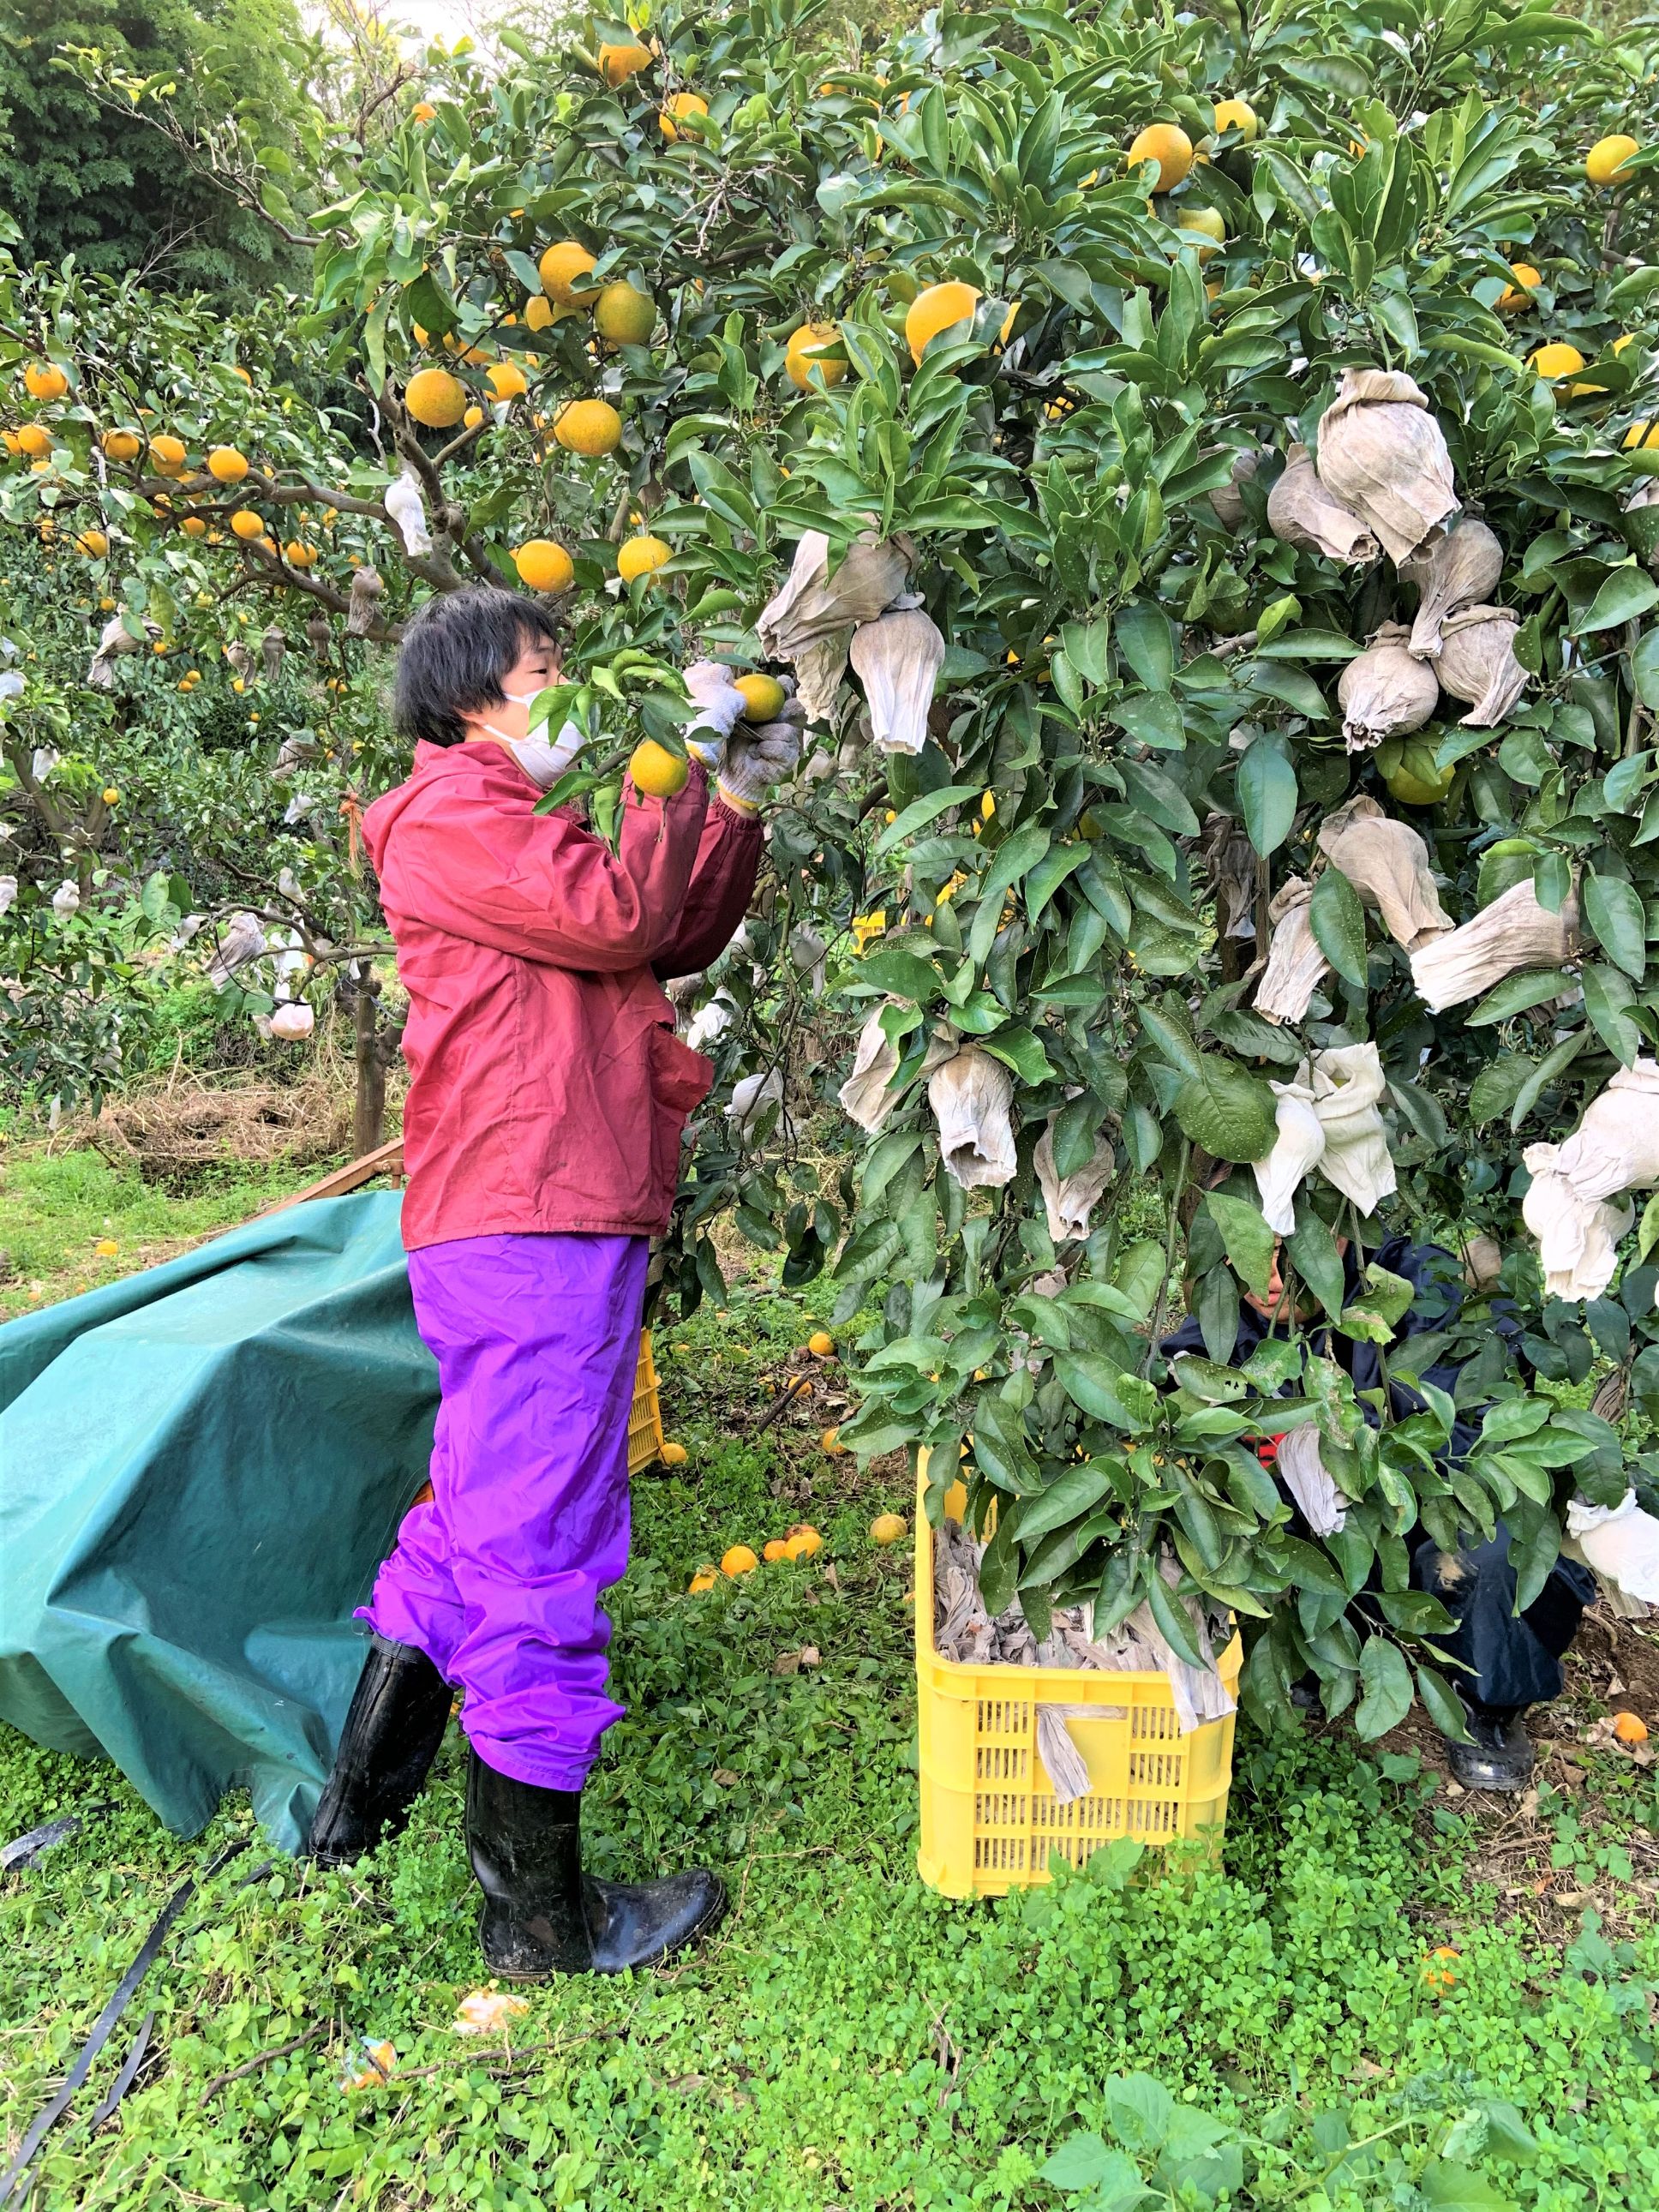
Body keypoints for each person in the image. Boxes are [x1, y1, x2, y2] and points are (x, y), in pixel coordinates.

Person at [306, 586, 800, 1976]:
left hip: (532, 1210)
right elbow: (624, 910)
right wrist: (679, 744)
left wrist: (737, 774)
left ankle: (357, 1814)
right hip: (533, 1219)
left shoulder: (511, 824)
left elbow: (673, 927)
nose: (568, 692)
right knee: (538, 1547)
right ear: (474, 696)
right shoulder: (455, 817)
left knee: (474, 1521)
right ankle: (538, 1924)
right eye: (546, 672)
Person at [1165, 1226, 1596, 1792]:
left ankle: (1490, 1699)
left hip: (1426, 1508)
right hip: (1333, 1532)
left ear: (1340, 1234)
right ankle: (1316, 1644)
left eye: (1288, 1246)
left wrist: (1351, 1435)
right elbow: (1179, 1368)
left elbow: (1472, 1432)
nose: (1267, 1273)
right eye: (1246, 1248)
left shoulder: (1420, 1285)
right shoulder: (1236, 1314)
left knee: (1493, 1549)